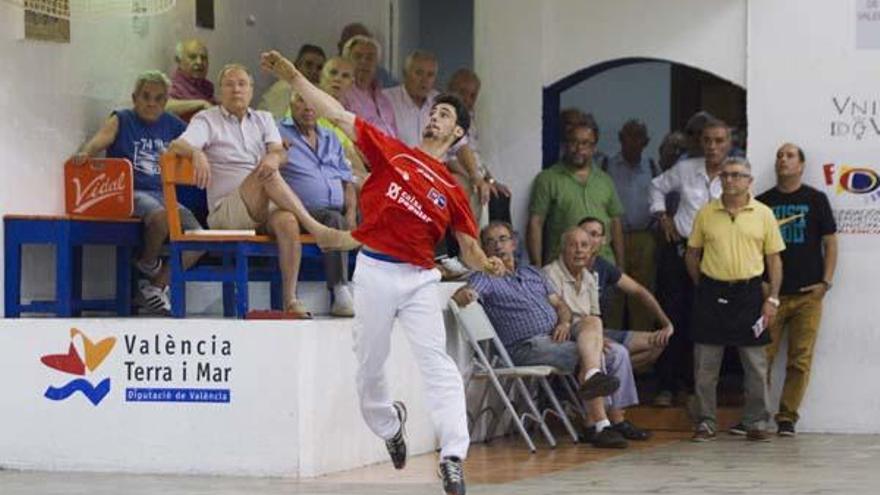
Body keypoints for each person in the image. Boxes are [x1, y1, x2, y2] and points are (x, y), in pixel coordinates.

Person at [261, 49, 507, 495]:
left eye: (445, 114)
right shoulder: (391, 150)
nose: (434, 118)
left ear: (458, 133)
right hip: (374, 272)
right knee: (369, 370)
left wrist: (485, 263)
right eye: (433, 111)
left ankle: (453, 456)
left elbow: (468, 247)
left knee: (438, 365)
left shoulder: (453, 190)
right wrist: (295, 78)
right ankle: (390, 425)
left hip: (418, 280)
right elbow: (336, 111)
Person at [455, 222, 635, 449]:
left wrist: (564, 321)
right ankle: (599, 424)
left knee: (593, 322)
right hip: (525, 347)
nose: (497, 246)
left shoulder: (532, 272)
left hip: (556, 336)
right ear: (483, 248)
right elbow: (462, 296)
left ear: (513, 243)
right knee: (593, 352)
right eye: (490, 242)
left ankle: (592, 382)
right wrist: (468, 294)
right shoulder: (485, 277)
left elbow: (561, 305)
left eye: (502, 239)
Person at [168, 64, 314, 317]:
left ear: (251, 90)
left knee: (287, 220)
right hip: (225, 213)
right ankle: (314, 226)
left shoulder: (263, 118)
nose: (236, 89)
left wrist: (274, 157)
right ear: (220, 90)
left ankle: (290, 300)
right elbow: (176, 144)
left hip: (261, 206)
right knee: (264, 174)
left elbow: (279, 151)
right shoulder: (208, 119)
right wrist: (196, 152)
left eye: (242, 84)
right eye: (229, 84)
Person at [71, 70, 201, 315]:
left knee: (199, 238)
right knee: (162, 217)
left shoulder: (172, 123)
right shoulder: (122, 118)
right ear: (135, 97)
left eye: (158, 98)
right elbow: (100, 139)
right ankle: (148, 262)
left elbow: (196, 142)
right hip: (129, 190)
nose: (151, 103)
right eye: (146, 96)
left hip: (164, 193)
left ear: (165, 101)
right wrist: (86, 153)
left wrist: (198, 153)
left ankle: (155, 286)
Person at [685, 157, 785, 443]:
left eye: (737, 176)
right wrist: (702, 286)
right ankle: (705, 421)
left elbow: (774, 260)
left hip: (750, 295)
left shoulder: (764, 214)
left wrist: (773, 299)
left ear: (749, 181)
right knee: (705, 365)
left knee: (755, 364)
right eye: (726, 175)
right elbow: (692, 255)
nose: (730, 180)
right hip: (711, 293)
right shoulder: (706, 213)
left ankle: (756, 422)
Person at [540, 226, 654, 444]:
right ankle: (594, 423)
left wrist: (597, 337)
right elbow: (551, 316)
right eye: (573, 245)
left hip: (588, 333)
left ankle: (617, 419)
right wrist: (591, 336)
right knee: (596, 354)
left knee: (618, 352)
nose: (579, 250)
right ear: (562, 249)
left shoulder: (590, 278)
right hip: (560, 334)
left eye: (584, 245)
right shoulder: (549, 274)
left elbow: (594, 315)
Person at [756, 143, 838, 437]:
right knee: (761, 358)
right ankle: (758, 415)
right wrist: (761, 283)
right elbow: (753, 247)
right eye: (779, 155)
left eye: (790, 156)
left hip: (807, 296)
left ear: (801, 165)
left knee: (800, 360)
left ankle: (787, 417)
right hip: (772, 298)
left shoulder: (816, 200)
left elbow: (830, 243)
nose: (783, 160)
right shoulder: (761, 203)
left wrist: (825, 283)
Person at [648, 118, 730, 407]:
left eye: (719, 141)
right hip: (681, 252)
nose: (712, 146)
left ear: (729, 144)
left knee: (709, 321)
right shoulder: (685, 169)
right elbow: (656, 187)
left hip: (717, 257)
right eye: (707, 140)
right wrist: (662, 215)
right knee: (673, 316)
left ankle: (703, 389)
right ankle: (667, 385)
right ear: (700, 142)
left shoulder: (734, 175)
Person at [278, 90, 357, 316]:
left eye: (313, 102)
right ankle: (341, 291)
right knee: (335, 219)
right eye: (300, 100)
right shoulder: (277, 132)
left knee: (378, 219)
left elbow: (347, 180)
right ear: (290, 104)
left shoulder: (331, 137)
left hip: (337, 210)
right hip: (301, 211)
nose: (308, 107)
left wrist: (352, 212)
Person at [575, 217, 674, 371]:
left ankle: (606, 377)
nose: (588, 239)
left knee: (658, 342)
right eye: (584, 233)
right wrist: (593, 337)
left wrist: (666, 324)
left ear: (603, 240)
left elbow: (639, 291)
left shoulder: (603, 266)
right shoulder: (569, 264)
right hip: (579, 335)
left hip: (602, 333)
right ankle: (601, 380)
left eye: (595, 235)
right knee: (617, 354)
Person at [528, 122, 625, 267]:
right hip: (563, 266)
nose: (579, 148)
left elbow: (615, 225)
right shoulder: (548, 178)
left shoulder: (605, 180)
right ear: (565, 145)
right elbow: (536, 224)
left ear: (594, 148)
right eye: (573, 142)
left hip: (603, 265)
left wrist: (620, 266)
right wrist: (537, 267)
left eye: (585, 143)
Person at [605, 119, 661, 330]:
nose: (633, 141)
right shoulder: (606, 165)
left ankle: (643, 352)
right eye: (629, 136)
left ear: (646, 141)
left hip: (644, 238)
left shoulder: (652, 166)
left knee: (642, 293)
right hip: (612, 238)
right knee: (613, 291)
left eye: (639, 137)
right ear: (620, 138)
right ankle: (612, 348)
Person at [317, 56, 369, 184]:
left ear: (351, 84)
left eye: (345, 76)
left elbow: (355, 155)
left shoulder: (348, 117)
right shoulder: (306, 105)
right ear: (321, 76)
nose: (338, 79)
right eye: (333, 73)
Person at [341, 35, 397, 137]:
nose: (364, 61)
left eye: (370, 58)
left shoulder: (384, 99)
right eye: (358, 56)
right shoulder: (343, 94)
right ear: (347, 61)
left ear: (377, 63)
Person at [384, 50, 440, 147]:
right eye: (419, 73)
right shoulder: (386, 99)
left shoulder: (441, 102)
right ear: (405, 74)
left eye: (430, 75)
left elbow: (455, 146)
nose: (424, 80)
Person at [258, 44, 327, 119]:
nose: (314, 71)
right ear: (297, 66)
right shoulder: (283, 88)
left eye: (319, 68)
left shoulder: (323, 94)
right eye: (308, 65)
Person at [167, 39, 214, 120]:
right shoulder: (172, 85)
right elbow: (163, 107)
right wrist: (201, 103)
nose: (199, 62)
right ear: (179, 61)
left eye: (203, 58)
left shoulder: (206, 86)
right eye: (193, 57)